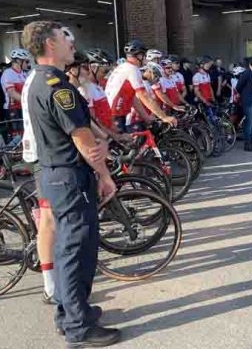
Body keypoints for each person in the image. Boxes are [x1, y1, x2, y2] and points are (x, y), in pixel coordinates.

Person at [22, 20, 121, 347]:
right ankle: (79, 326)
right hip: (69, 176)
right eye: (66, 39)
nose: (72, 44)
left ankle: (71, 313)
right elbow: (82, 138)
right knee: (78, 248)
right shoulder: (57, 87)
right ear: (50, 44)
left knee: (69, 247)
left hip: (56, 175)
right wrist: (105, 175)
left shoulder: (38, 80)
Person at [105, 39, 176, 132]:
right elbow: (144, 95)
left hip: (117, 112)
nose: (145, 59)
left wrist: (146, 117)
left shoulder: (124, 67)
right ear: (139, 55)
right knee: (126, 144)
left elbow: (134, 99)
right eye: (144, 56)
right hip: (116, 113)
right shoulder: (132, 69)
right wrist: (163, 117)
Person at [1, 48, 31, 138]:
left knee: (27, 135)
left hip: (24, 108)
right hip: (13, 110)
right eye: (27, 61)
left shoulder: (24, 73)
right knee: (17, 137)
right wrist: (29, 101)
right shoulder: (8, 73)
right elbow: (12, 93)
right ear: (18, 61)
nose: (28, 64)